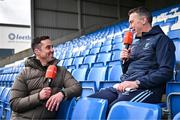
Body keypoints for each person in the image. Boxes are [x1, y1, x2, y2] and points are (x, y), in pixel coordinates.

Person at [89, 6, 175, 108]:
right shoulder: (135, 42)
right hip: (125, 86)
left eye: (132, 22)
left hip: (146, 88)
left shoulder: (162, 40)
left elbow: (166, 72)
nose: (130, 26)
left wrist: (137, 83)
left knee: (116, 108)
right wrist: (125, 61)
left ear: (143, 20)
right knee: (91, 102)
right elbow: (126, 72)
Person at [10, 36, 82, 119]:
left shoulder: (61, 71)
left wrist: (62, 94)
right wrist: (38, 96)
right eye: (48, 47)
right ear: (37, 51)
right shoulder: (24, 74)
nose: (52, 50)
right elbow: (14, 104)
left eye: (52, 47)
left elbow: (77, 87)